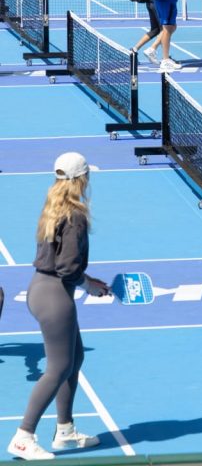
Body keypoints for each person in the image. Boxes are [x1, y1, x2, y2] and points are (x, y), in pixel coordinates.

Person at [7, 153, 109, 461]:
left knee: (74, 359)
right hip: (55, 296)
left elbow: (60, 263)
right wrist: (88, 284)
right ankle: (23, 437)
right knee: (58, 368)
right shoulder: (76, 215)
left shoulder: (52, 208)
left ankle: (65, 431)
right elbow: (67, 269)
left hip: (40, 288)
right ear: (82, 180)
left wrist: (86, 278)